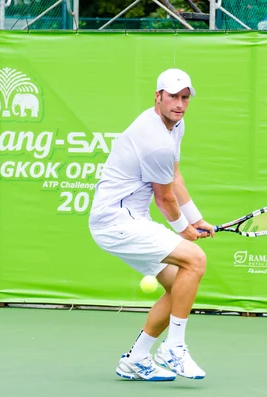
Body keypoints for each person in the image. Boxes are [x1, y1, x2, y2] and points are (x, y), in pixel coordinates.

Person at [88, 68, 214, 381]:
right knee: (195, 260)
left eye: (185, 97)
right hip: (115, 220)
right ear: (157, 97)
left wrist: (196, 219)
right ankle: (174, 347)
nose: (180, 104)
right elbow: (165, 198)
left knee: (179, 286)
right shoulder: (155, 138)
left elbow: (175, 177)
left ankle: (137, 358)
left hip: (131, 219)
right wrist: (183, 229)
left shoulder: (176, 125)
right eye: (173, 96)